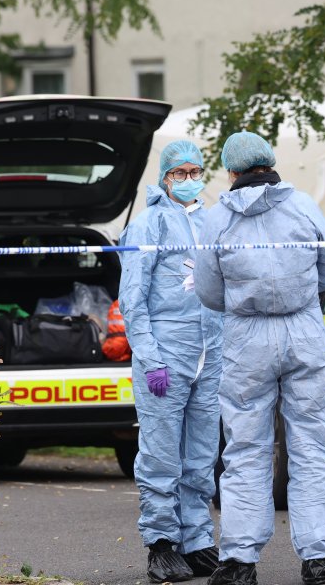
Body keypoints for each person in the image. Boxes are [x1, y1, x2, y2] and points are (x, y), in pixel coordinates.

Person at [194, 131, 325, 585]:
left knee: (244, 447)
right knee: (312, 445)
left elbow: (207, 290)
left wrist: (246, 303)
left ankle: (240, 559)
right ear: (270, 162)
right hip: (304, 330)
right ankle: (320, 556)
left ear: (232, 171)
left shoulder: (217, 218)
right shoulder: (302, 205)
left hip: (246, 336)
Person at [118, 140, 224, 584]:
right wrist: (148, 355)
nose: (188, 179)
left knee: (201, 454)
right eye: (179, 172)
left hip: (210, 354)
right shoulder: (149, 224)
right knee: (162, 453)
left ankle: (197, 539)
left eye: (195, 171)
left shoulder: (213, 221)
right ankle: (161, 543)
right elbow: (133, 299)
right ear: (164, 177)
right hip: (165, 354)